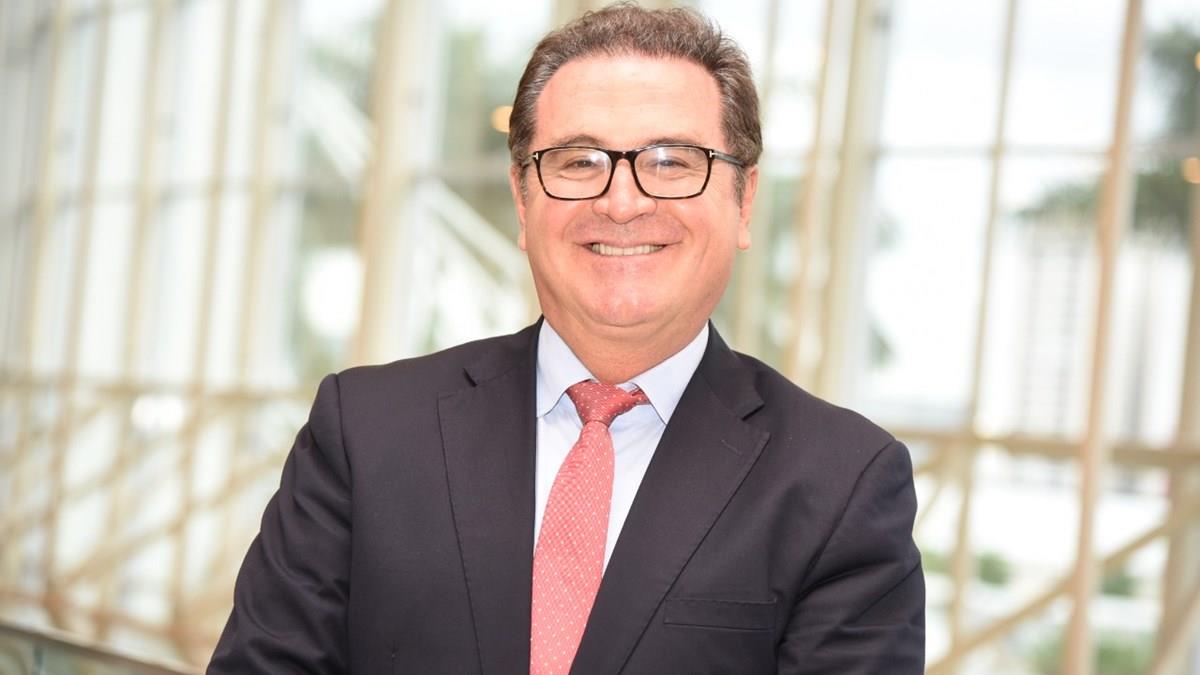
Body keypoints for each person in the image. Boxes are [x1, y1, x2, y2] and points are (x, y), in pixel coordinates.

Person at [208, 4, 923, 674]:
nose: (622, 201)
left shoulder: (843, 485)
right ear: (523, 202)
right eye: (579, 161)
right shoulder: (365, 430)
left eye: (672, 161)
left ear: (744, 201)